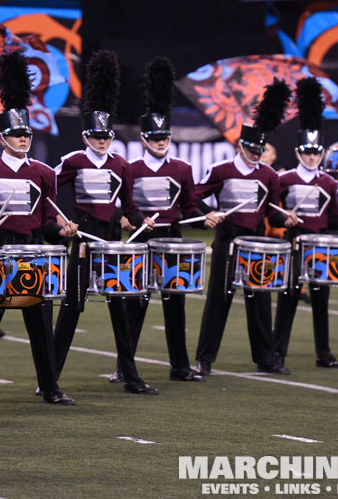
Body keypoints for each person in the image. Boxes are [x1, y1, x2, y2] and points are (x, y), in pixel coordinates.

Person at [0, 49, 77, 406]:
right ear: (2, 136)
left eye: (26, 133)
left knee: (40, 322)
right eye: (16, 133)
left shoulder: (43, 172)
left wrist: (63, 231)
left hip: (32, 249)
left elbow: (46, 221)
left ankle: (50, 386)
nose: (23, 139)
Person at [51, 50, 157, 395]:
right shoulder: (73, 160)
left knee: (121, 306)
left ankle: (130, 375)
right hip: (83, 237)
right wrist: (60, 220)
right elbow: (49, 190)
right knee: (72, 307)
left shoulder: (121, 165)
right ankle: (48, 377)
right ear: (86, 136)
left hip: (112, 238)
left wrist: (140, 220)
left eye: (107, 136)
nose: (102, 141)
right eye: (97, 136)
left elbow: (127, 204)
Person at [121, 57, 220, 383]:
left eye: (165, 136)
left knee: (174, 302)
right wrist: (127, 219)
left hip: (172, 239)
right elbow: (123, 204)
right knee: (135, 303)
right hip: (141, 240)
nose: (161, 141)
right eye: (156, 137)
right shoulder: (130, 169)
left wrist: (204, 216)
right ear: (144, 138)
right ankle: (125, 366)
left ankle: (180, 366)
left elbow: (189, 204)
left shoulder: (182, 169)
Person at [193, 79, 295, 376]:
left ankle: (265, 358)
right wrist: (207, 214)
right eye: (252, 148)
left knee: (260, 301)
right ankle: (205, 359)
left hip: (256, 243)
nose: (256, 153)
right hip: (227, 240)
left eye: (260, 149)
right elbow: (194, 198)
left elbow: (273, 213)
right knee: (218, 300)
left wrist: (285, 217)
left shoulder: (269, 175)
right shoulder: (222, 170)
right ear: (240, 145)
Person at [272, 78, 338, 372]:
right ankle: (277, 354)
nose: (312, 157)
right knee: (288, 299)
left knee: (321, 300)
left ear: (321, 153)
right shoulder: (284, 180)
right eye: (306, 153)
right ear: (298, 153)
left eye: (316, 153)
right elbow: (273, 212)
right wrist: (285, 218)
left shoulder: (328, 182)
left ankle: (324, 354)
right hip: (295, 245)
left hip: (321, 247)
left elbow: (328, 221)